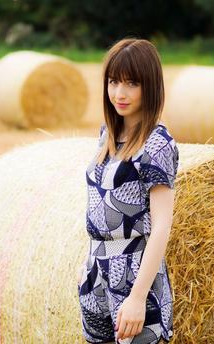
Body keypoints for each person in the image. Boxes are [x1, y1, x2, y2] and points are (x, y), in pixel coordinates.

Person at [76, 37, 179, 344]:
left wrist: (137, 298)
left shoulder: (156, 144)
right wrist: (88, 265)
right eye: (113, 82)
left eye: (131, 83)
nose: (119, 93)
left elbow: (162, 226)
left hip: (134, 275)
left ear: (150, 86)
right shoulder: (106, 135)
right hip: (95, 274)